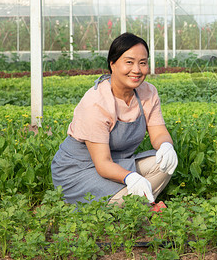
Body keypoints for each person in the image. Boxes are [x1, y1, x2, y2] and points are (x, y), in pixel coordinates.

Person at [52, 33, 178, 205]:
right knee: (124, 199)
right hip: (79, 171)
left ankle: (135, 203)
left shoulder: (148, 92)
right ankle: (138, 204)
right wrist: (130, 177)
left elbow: (159, 133)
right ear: (112, 64)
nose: (137, 70)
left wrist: (166, 146)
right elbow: (103, 164)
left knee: (163, 164)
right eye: (129, 62)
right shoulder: (96, 103)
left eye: (143, 63)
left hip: (119, 163)